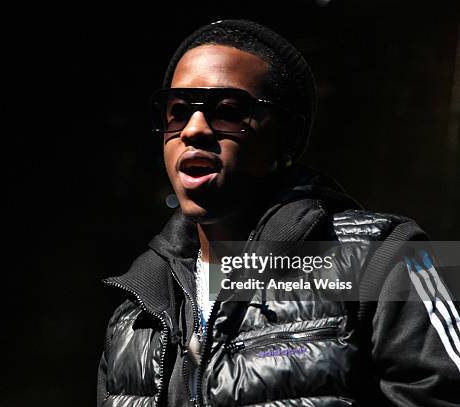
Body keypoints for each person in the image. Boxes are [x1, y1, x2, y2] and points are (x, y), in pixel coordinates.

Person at [97, 19, 460, 407]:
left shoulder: (393, 255)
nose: (194, 129)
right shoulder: (134, 314)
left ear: (287, 136)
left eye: (228, 111)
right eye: (178, 111)